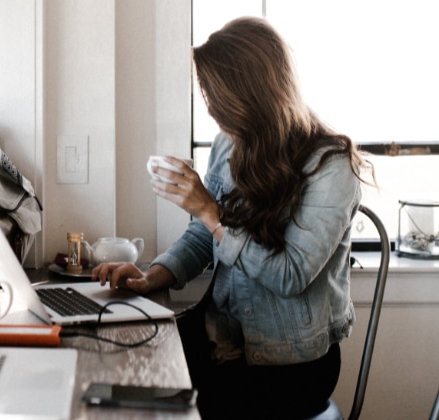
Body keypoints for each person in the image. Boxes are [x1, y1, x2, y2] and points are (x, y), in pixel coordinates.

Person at [92, 16, 374, 419]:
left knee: (152, 397)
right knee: (122, 360)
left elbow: (289, 275)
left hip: (289, 365)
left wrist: (209, 210)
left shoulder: (331, 167)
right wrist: (152, 275)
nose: (213, 114)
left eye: (220, 102)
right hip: (221, 336)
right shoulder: (230, 143)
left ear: (256, 96)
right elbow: (202, 236)